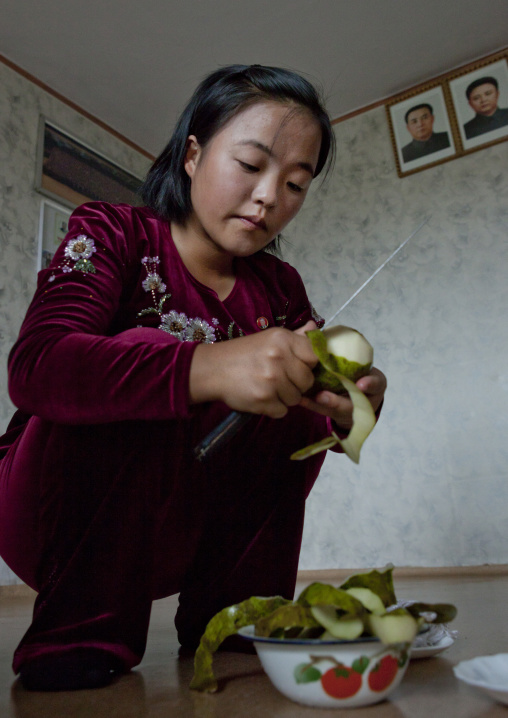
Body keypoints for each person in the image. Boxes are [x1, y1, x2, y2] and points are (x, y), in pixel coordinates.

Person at [0, 64, 386, 692]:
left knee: (282, 392)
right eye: (251, 164)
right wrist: (204, 366)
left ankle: (232, 618)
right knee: (148, 349)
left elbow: (304, 423)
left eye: (295, 183)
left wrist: (347, 406)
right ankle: (78, 633)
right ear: (193, 153)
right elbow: (38, 365)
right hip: (52, 518)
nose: (269, 198)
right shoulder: (113, 232)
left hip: (181, 526)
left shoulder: (279, 288)